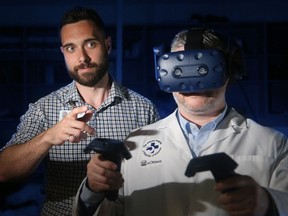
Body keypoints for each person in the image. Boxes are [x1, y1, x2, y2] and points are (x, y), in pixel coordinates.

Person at [73, 27, 288, 216]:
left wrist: (267, 204)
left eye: (204, 70)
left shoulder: (273, 144)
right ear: (163, 73)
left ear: (230, 71)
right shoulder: (134, 143)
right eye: (180, 72)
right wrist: (93, 189)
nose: (194, 83)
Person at [0, 6, 160, 216]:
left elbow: (158, 174)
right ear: (63, 53)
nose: (82, 57)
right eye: (71, 48)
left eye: (90, 44)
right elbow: (3, 171)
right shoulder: (44, 109)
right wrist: (48, 137)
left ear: (107, 45)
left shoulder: (144, 109)